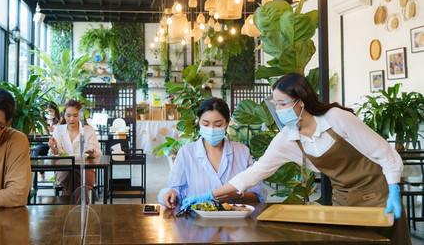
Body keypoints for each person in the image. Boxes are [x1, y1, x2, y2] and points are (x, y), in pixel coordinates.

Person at [182, 73, 410, 244]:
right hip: (345, 201)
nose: (278, 110)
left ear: (301, 101)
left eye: (283, 103)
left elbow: (386, 154)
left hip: (380, 195)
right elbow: (254, 173)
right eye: (276, 104)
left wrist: (394, 190)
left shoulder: (336, 118)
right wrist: (210, 195)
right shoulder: (288, 138)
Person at [158, 97, 266, 209]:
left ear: (228, 123)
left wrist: (235, 195)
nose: (212, 129)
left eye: (218, 125)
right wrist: (168, 194)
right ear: (198, 121)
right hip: (195, 222)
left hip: (234, 223)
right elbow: (174, 190)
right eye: (205, 124)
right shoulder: (187, 152)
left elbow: (258, 196)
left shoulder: (242, 152)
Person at [48, 99, 101, 195]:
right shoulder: (59, 130)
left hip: (85, 169)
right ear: (64, 116)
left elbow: (97, 152)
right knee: (73, 173)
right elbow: (55, 154)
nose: (72, 119)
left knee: (76, 173)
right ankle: (82, 206)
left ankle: (68, 206)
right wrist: (53, 148)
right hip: (64, 170)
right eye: (68, 116)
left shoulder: (88, 130)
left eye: (75, 115)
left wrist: (92, 152)